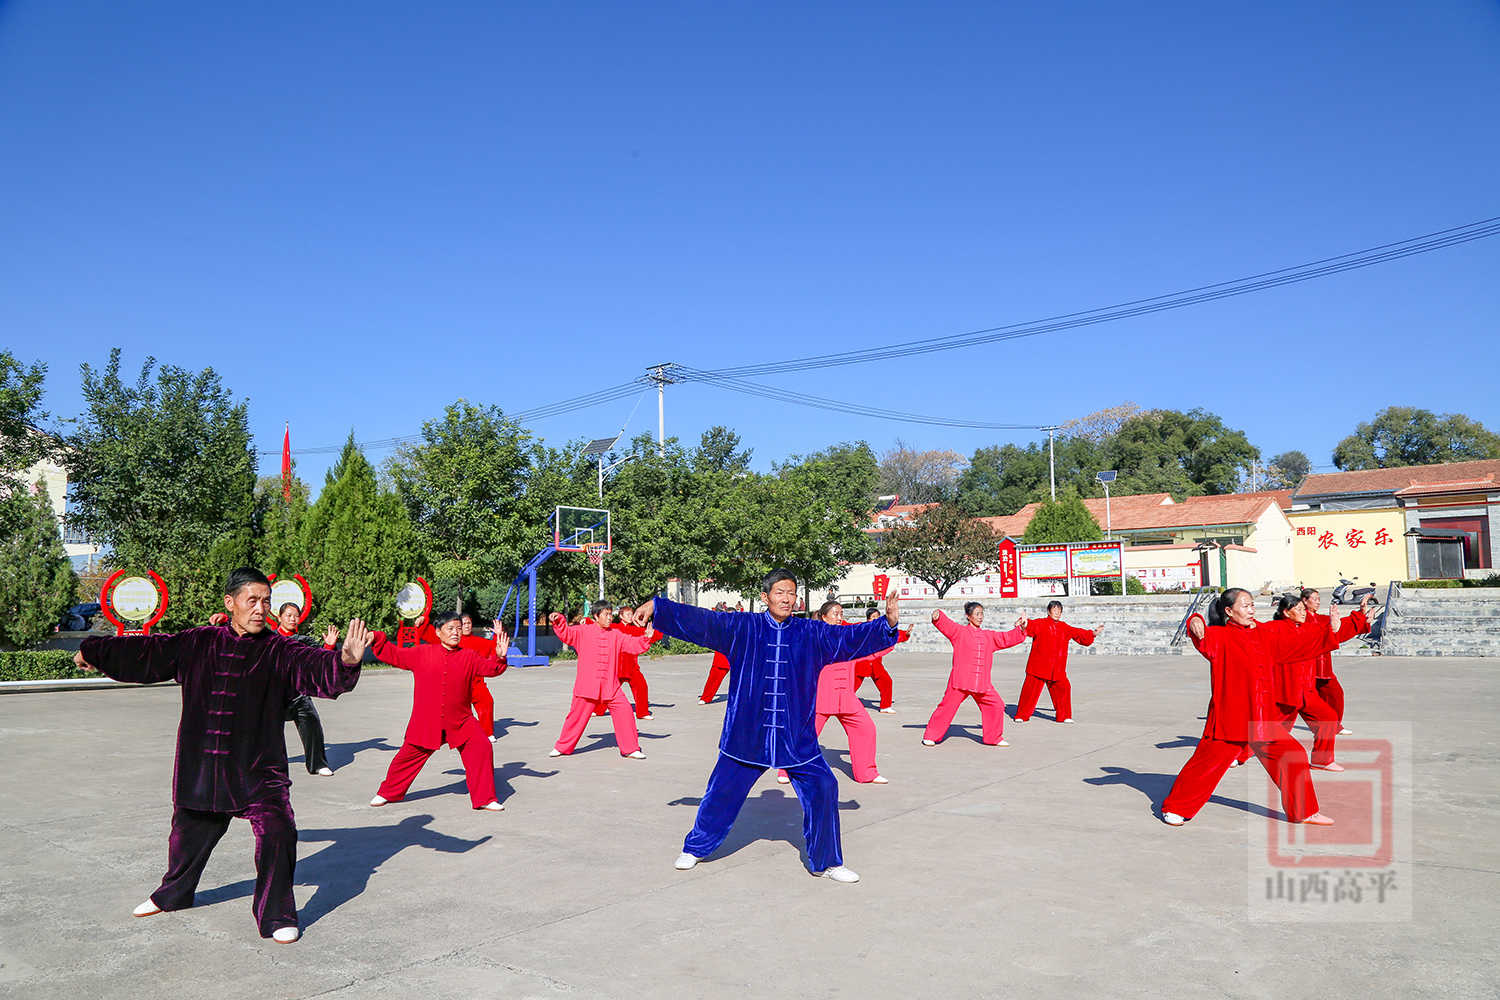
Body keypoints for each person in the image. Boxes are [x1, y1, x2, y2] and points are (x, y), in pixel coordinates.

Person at [73, 567, 370, 944]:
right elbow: (147, 652)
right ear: (230, 603)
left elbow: (314, 669)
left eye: (267, 601)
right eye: (253, 601)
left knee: (279, 833)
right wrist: (92, 650)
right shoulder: (199, 642)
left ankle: (276, 914)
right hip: (203, 767)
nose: (261, 609)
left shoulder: (280, 650)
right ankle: (173, 895)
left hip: (258, 771)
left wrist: (343, 661)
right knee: (185, 839)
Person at [635, 570, 902, 883]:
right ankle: (695, 848)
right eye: (779, 592)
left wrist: (888, 624)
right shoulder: (742, 627)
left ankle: (828, 862)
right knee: (719, 794)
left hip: (795, 737)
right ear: (765, 597)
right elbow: (703, 622)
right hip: (747, 734)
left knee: (824, 787)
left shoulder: (811, 632)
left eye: (791, 593)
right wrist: (659, 607)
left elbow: (847, 638)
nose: (786, 599)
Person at [1160, 588, 1371, 827]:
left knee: (1293, 756)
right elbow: (1201, 636)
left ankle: (1304, 811)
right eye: (1245, 605)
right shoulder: (1220, 637)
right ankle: (1176, 807)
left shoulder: (1266, 633)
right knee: (1205, 766)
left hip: (1262, 718)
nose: (1251, 610)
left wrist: (1349, 624)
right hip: (1230, 718)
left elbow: (1305, 638)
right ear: (1229, 611)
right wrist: (1194, 620)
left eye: (1252, 605)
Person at [369, 611, 510, 810]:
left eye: (459, 629)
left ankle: (485, 798)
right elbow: (394, 654)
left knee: (482, 747)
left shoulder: (468, 656)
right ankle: (388, 793)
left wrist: (500, 657)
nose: (456, 633)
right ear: (437, 632)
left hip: (461, 720)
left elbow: (491, 669)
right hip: (427, 720)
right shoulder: (421, 653)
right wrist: (376, 637)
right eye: (450, 629)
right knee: (407, 757)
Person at [1228, 593, 1354, 771]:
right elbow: (1256, 629)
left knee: (1327, 718)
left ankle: (1322, 760)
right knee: (1270, 730)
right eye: (1300, 609)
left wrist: (1357, 619)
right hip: (1284, 692)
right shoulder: (1275, 628)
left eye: (1304, 609)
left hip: (1306, 691)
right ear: (1287, 612)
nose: (1304, 613)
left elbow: (1331, 633)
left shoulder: (1306, 628)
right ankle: (1237, 756)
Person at [776, 602, 889, 785]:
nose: (839, 617)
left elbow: (869, 650)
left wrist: (891, 629)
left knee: (865, 730)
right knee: (804, 735)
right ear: (824, 616)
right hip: (820, 698)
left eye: (841, 613)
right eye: (835, 613)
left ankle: (866, 772)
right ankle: (786, 769)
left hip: (846, 698)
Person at [548, 601, 655, 758]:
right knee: (575, 718)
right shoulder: (583, 631)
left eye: (611, 614)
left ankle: (631, 748)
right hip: (587, 686)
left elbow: (632, 644)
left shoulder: (616, 634)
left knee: (625, 711)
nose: (610, 617)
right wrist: (558, 620)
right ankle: (563, 747)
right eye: (606, 614)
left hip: (610, 686)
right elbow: (566, 634)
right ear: (596, 616)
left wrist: (646, 638)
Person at [923, 602, 1027, 747]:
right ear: (968, 616)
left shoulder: (988, 636)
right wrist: (938, 615)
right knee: (946, 707)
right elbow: (946, 624)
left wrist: (1019, 629)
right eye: (977, 614)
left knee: (996, 705)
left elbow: (1005, 638)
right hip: (960, 681)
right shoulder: (959, 632)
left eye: (982, 614)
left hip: (982, 683)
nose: (980, 617)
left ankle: (993, 738)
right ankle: (931, 735)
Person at [270, 602, 338, 776]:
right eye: (288, 615)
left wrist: (329, 646)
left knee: (312, 723)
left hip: (299, 694)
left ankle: (317, 764)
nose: (293, 619)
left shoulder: (305, 642)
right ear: (279, 617)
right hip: (273, 695)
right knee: (263, 730)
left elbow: (323, 660)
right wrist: (226, 621)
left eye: (296, 615)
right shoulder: (268, 639)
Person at [418, 612, 502, 744]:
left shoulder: (480, 642)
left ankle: (487, 733)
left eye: (469, 623)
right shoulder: (449, 639)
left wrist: (497, 634)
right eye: (463, 624)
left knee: (487, 701)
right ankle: (440, 734)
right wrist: (423, 620)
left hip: (476, 683)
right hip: (455, 684)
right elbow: (427, 633)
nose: (467, 626)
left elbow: (496, 650)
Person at [1013, 600, 1096, 724]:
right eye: (1055, 610)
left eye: (1059, 610)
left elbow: (1078, 633)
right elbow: (1030, 626)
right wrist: (1024, 624)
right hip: (1038, 666)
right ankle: (1021, 715)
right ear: (1049, 611)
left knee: (1064, 688)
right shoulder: (1040, 623)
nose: (1057, 613)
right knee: (1029, 692)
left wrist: (1092, 634)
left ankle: (1064, 716)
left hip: (1056, 668)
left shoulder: (1064, 627)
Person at [1304, 588, 1353, 735]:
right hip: (1307, 667)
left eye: (1319, 599)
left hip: (1324, 666)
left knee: (1335, 694)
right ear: (1305, 601)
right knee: (1302, 702)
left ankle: (1335, 725)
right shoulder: (1301, 619)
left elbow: (1338, 629)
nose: (1318, 602)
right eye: (1314, 599)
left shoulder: (1322, 619)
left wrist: (1360, 616)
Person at [607, 604, 662, 721]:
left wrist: (653, 633)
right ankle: (597, 710)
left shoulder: (635, 629)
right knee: (607, 690)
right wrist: (584, 620)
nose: (631, 616)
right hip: (616, 667)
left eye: (632, 614)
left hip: (632, 667)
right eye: (628, 614)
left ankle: (642, 713)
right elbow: (597, 627)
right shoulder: (614, 627)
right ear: (621, 616)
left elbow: (652, 635)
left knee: (642, 687)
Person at [854, 606, 907, 713]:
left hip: (876, 665)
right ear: (868, 619)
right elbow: (847, 628)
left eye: (878, 617)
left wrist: (906, 634)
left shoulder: (882, 630)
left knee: (886, 682)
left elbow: (894, 634)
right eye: (873, 617)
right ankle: (836, 704)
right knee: (850, 688)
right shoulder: (861, 628)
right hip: (860, 664)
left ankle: (885, 706)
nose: (876, 619)